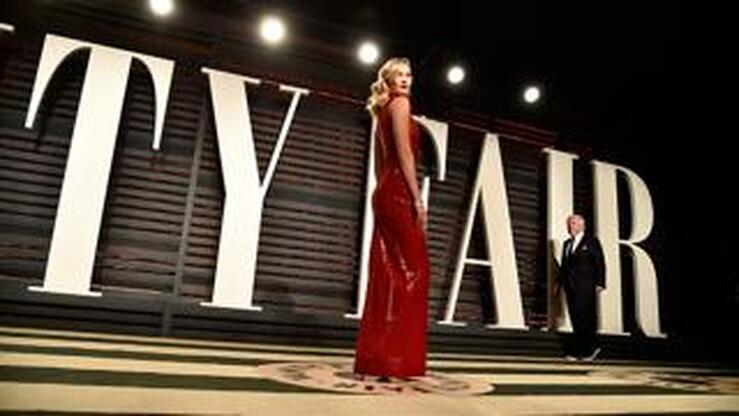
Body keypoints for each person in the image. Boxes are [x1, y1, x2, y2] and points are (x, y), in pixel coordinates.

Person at [353, 57, 430, 379]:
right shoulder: (400, 104)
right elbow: (404, 154)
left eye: (409, 74)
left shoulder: (380, 112)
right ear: (388, 80)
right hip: (398, 192)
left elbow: (378, 164)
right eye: (399, 74)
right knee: (415, 272)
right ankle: (396, 359)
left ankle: (378, 359)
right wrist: (417, 198)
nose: (405, 79)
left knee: (387, 272)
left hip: (384, 192)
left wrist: (382, 192)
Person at [555, 214, 606, 361]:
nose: (570, 226)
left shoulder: (591, 241)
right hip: (570, 287)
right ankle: (579, 350)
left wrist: (600, 283)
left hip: (586, 286)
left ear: (582, 225)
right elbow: (564, 266)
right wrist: (558, 283)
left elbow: (599, 262)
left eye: (573, 223)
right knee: (576, 319)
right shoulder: (567, 244)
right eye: (569, 224)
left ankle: (590, 349)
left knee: (585, 318)